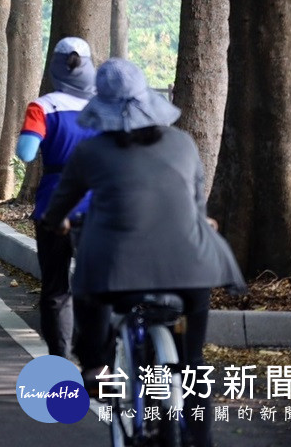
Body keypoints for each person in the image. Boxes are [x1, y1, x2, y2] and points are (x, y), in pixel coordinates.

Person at [41, 58, 245, 447]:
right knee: (193, 365)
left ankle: (96, 366)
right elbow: (195, 204)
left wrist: (56, 222)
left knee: (87, 291)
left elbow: (60, 205)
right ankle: (201, 440)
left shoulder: (92, 152)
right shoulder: (183, 143)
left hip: (116, 269)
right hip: (193, 266)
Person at [15, 36, 98, 359]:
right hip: (97, 205)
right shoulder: (103, 109)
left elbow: (25, 152)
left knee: (56, 288)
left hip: (53, 204)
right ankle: (94, 355)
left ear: (55, 68)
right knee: (95, 282)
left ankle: (59, 359)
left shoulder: (42, 107)